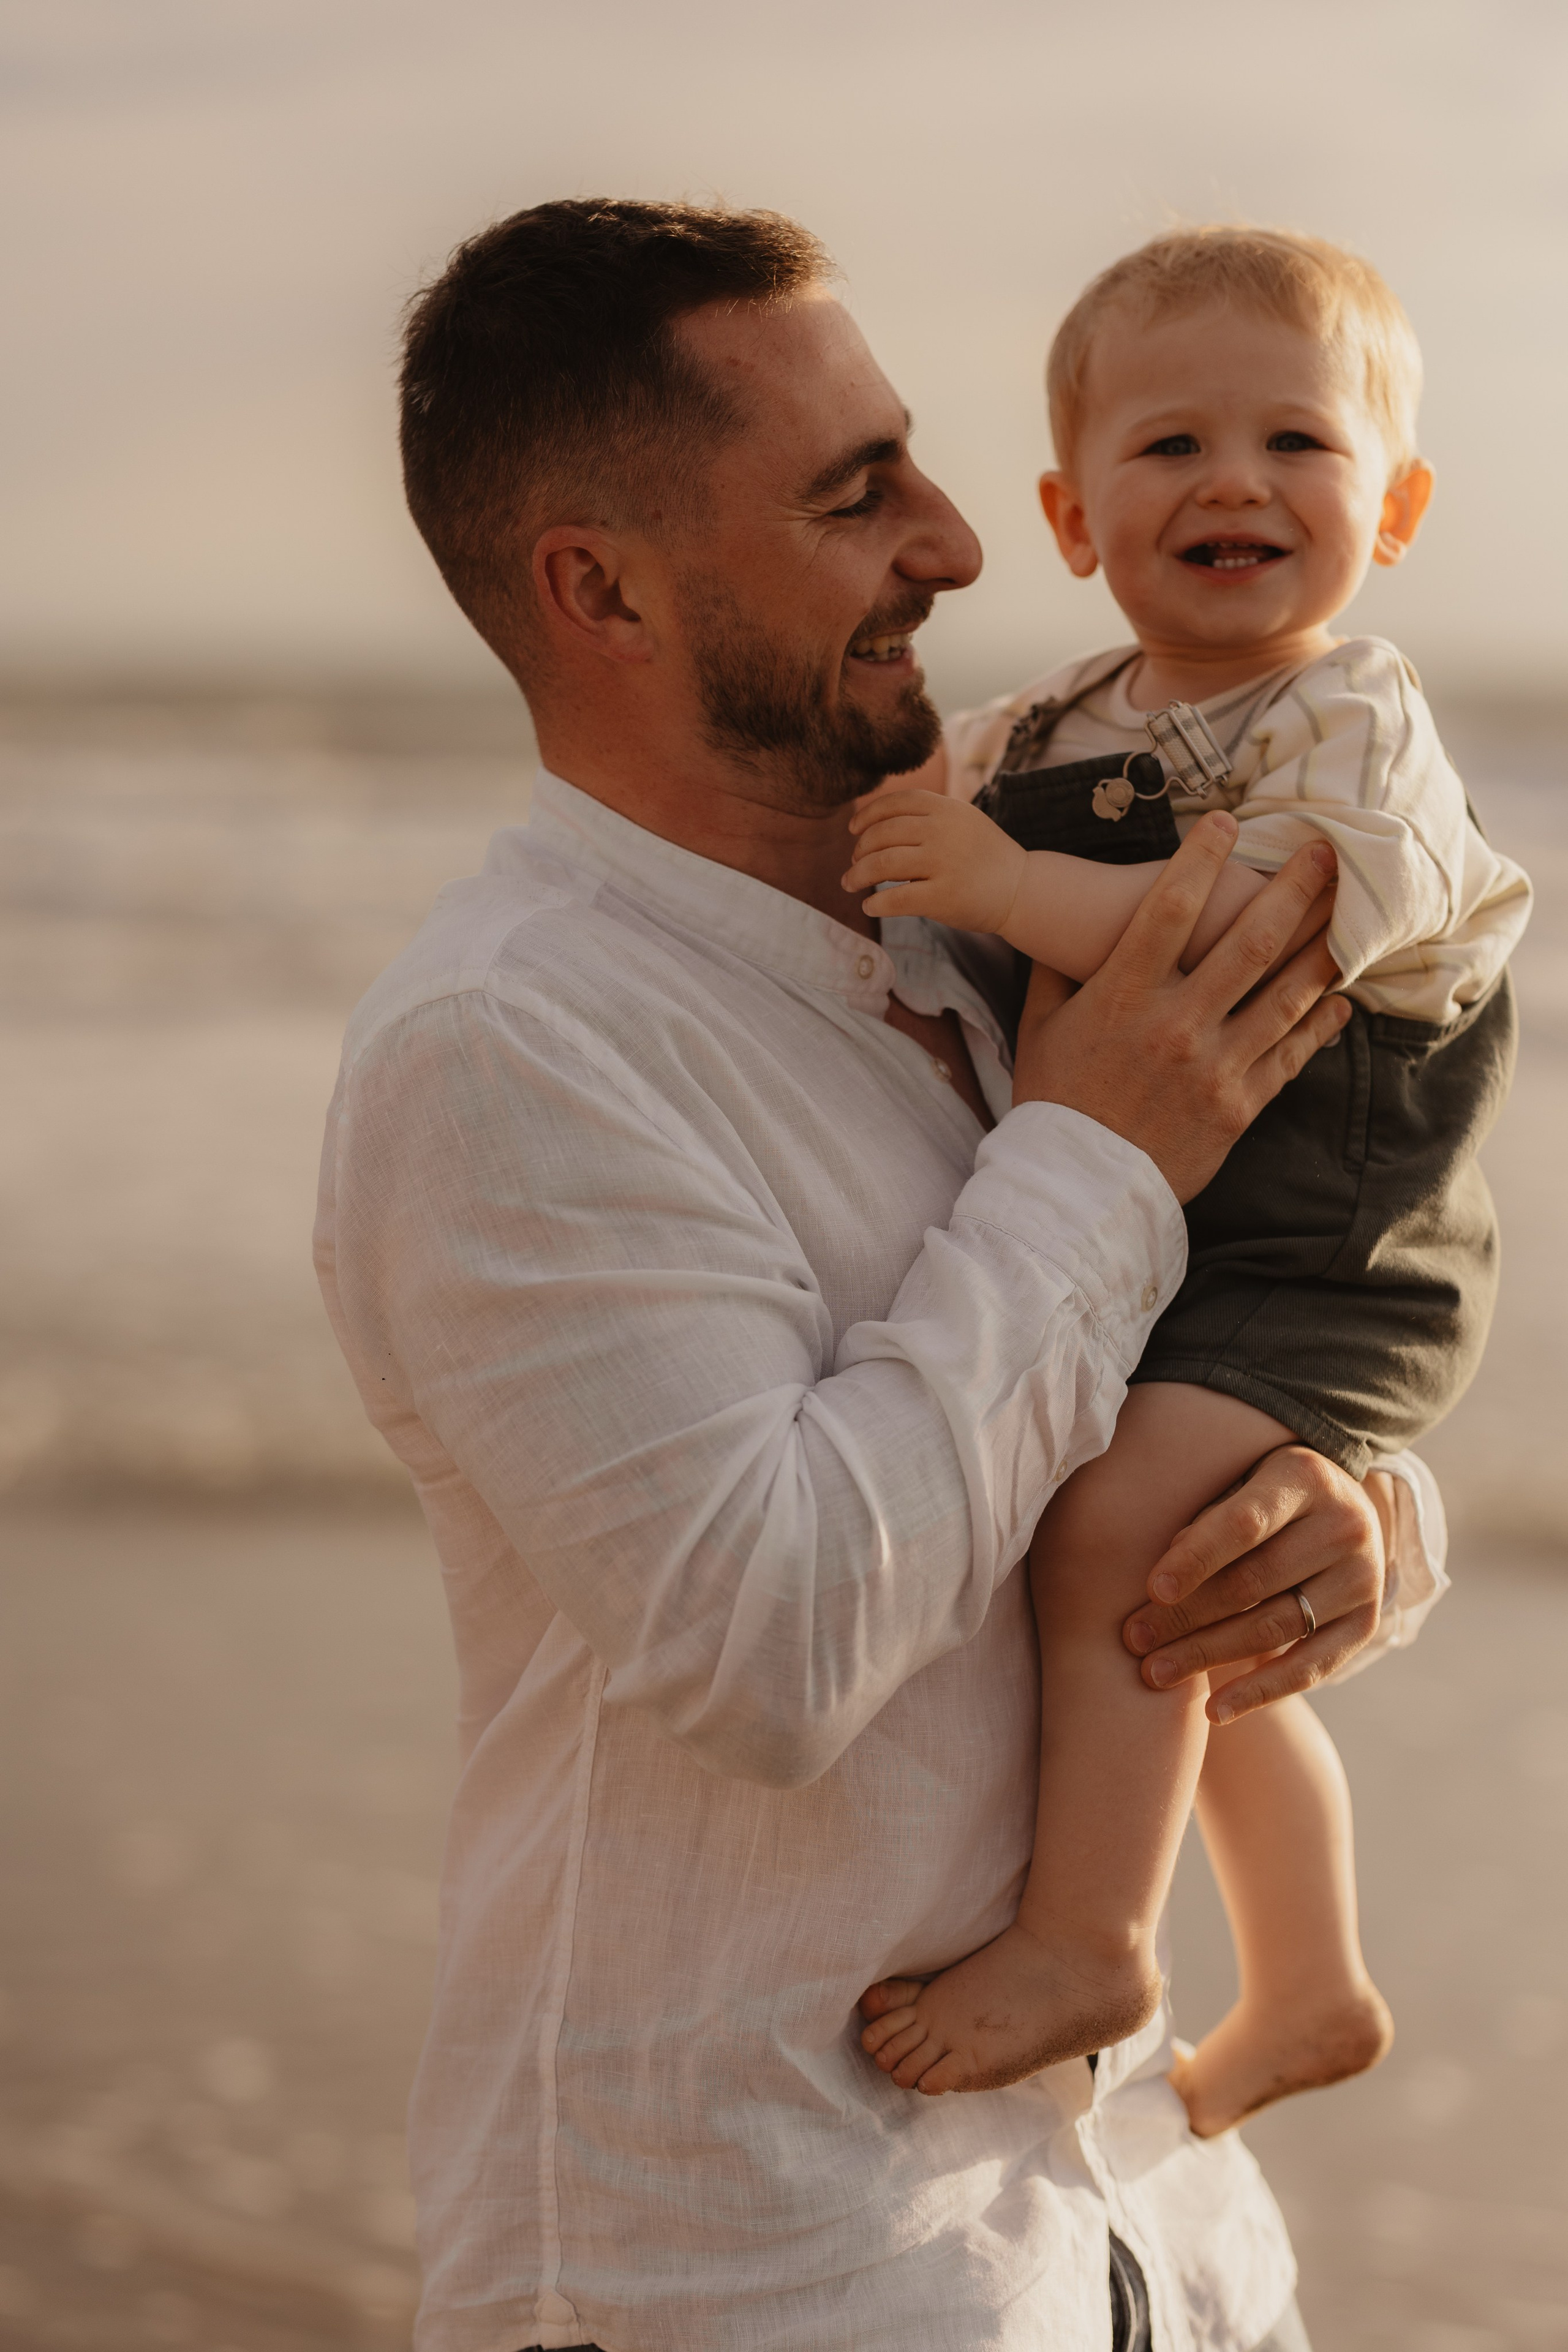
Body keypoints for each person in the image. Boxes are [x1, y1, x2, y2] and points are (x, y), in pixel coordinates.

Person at [315, 199, 1450, 2352]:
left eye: (916, 462)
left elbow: (1225, 1328)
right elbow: (774, 1640)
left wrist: (1358, 1531)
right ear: (602, 587)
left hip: (1146, 2231)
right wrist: (1097, 1150)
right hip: (771, 2262)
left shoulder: (986, 926)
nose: (952, 539)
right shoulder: (513, 1051)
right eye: (857, 495)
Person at [847, 227, 1528, 2132]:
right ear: (1073, 517)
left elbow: (1250, 919)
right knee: (1202, 1636)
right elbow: (918, 866)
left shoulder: (1354, 720)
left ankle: (1094, 1945)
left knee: (1118, 1549)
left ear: (1388, 506)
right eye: (1169, 449)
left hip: (1330, 1241)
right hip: (1175, 1236)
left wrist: (990, 884)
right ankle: (1310, 1985)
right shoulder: (1055, 727)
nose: (1234, 480)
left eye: (1296, 442)